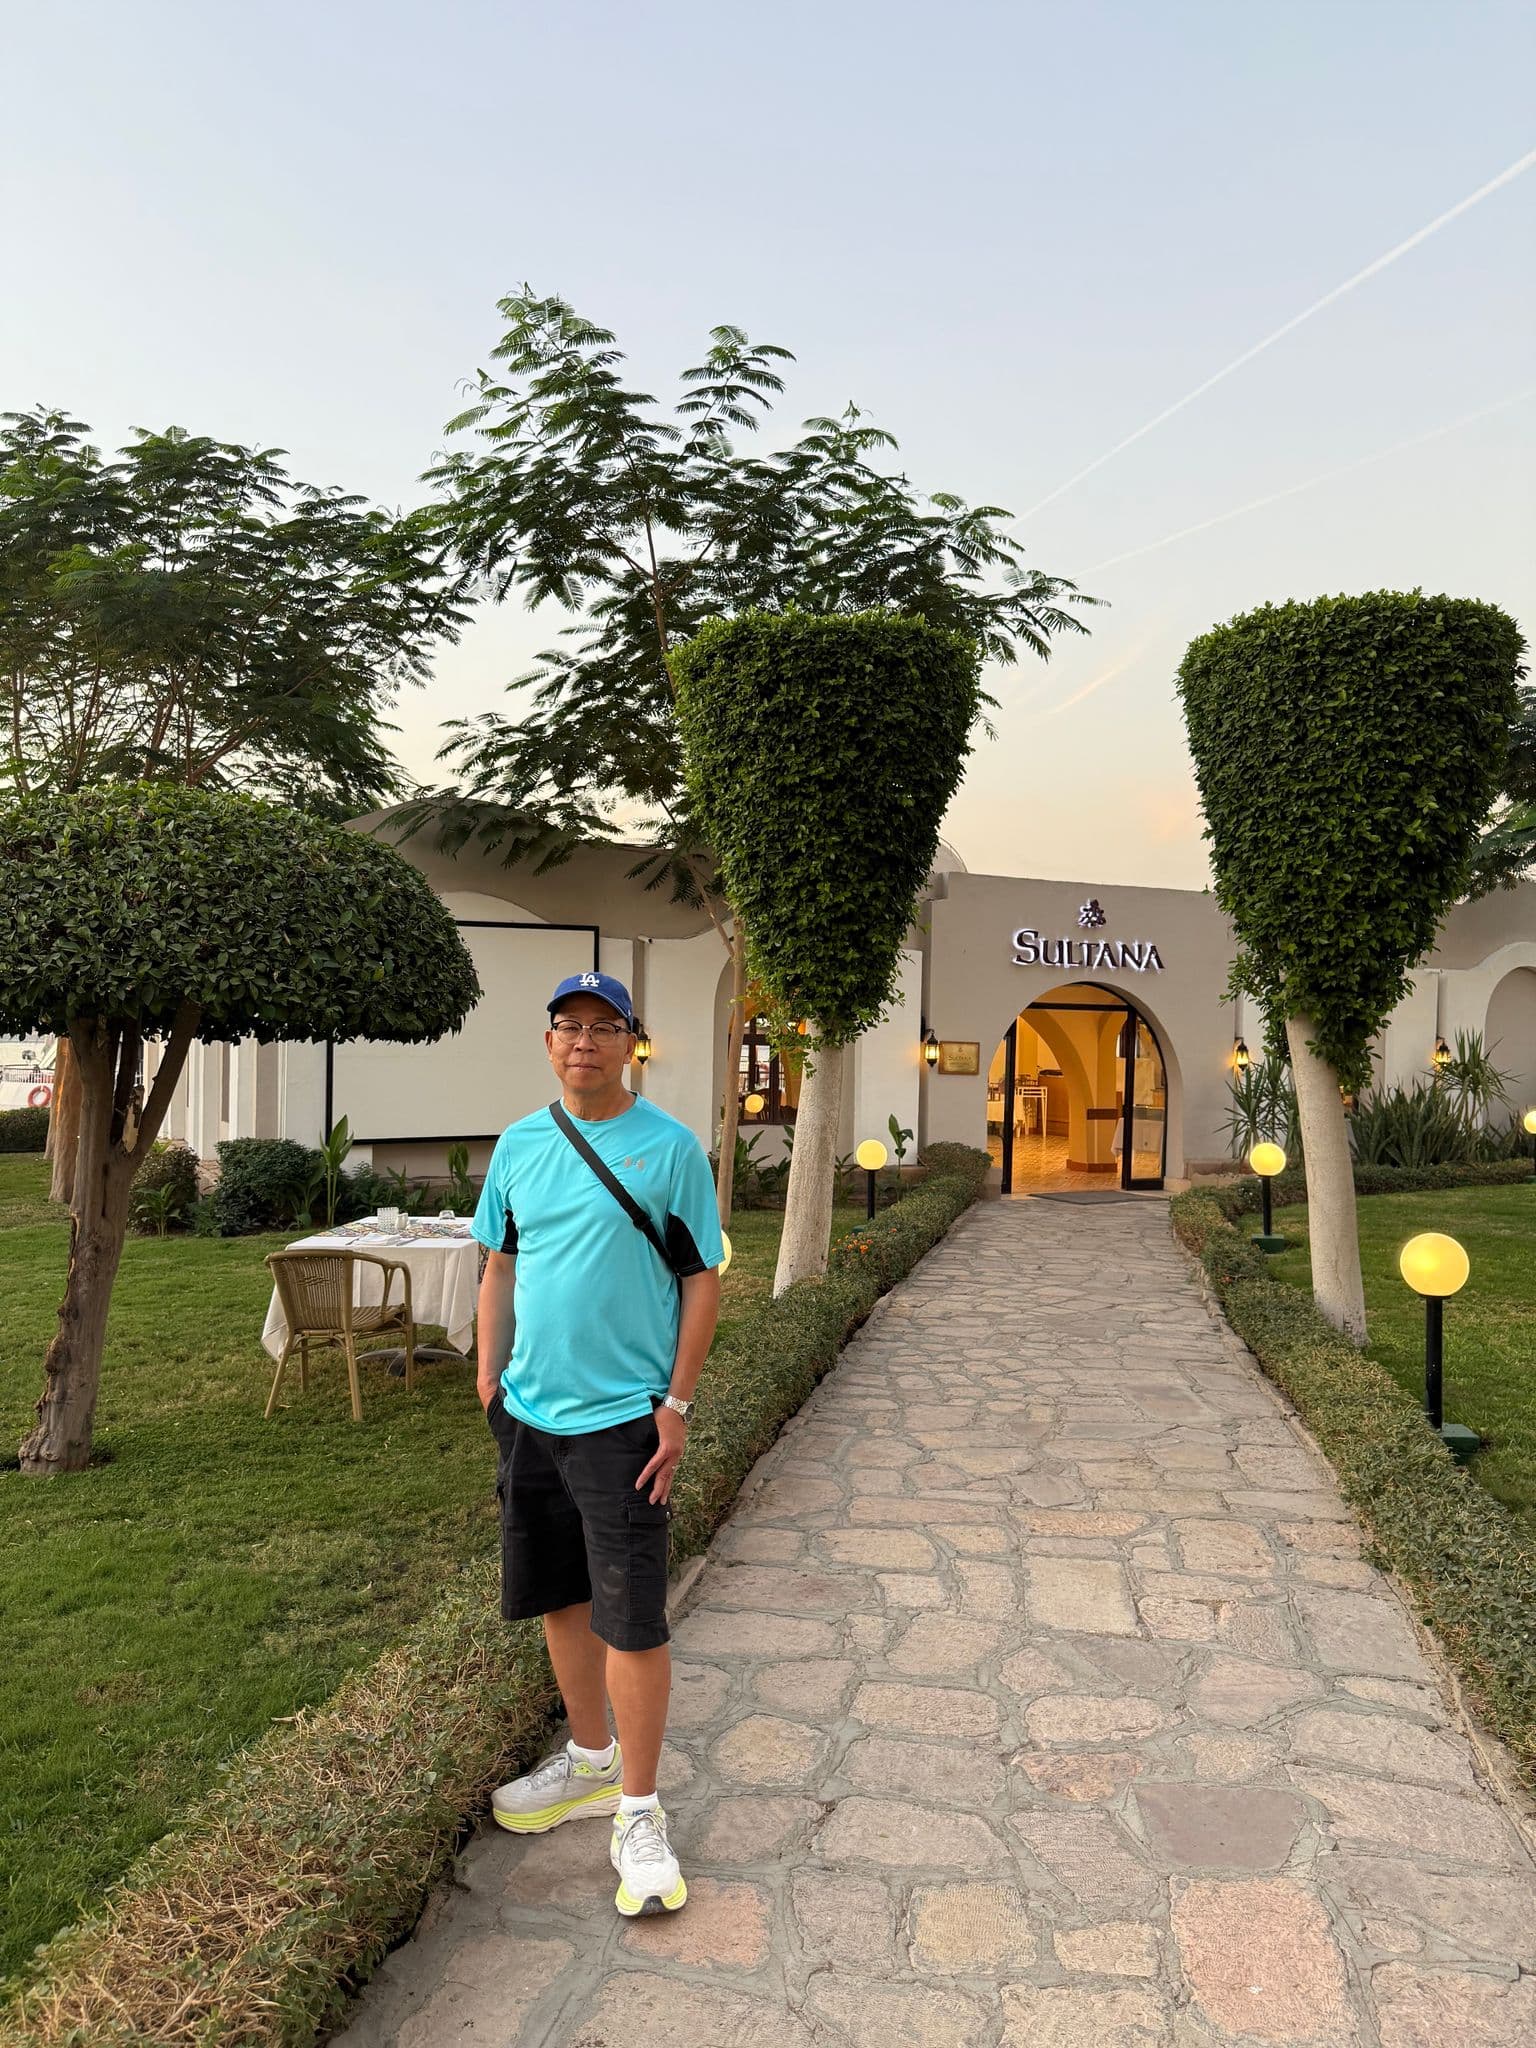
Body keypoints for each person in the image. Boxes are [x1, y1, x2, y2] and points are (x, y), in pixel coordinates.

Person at [472, 971, 724, 1917]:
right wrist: (490, 1376)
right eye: (568, 1027)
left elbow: (701, 1279)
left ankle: (640, 1810)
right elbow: (501, 1261)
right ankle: (587, 1760)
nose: (584, 1041)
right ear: (549, 1044)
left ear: (631, 1044)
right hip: (532, 1418)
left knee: (634, 1617)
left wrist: (678, 1404)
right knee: (561, 1598)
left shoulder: (669, 1150)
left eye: (604, 1027)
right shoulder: (520, 1145)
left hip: (626, 1420)